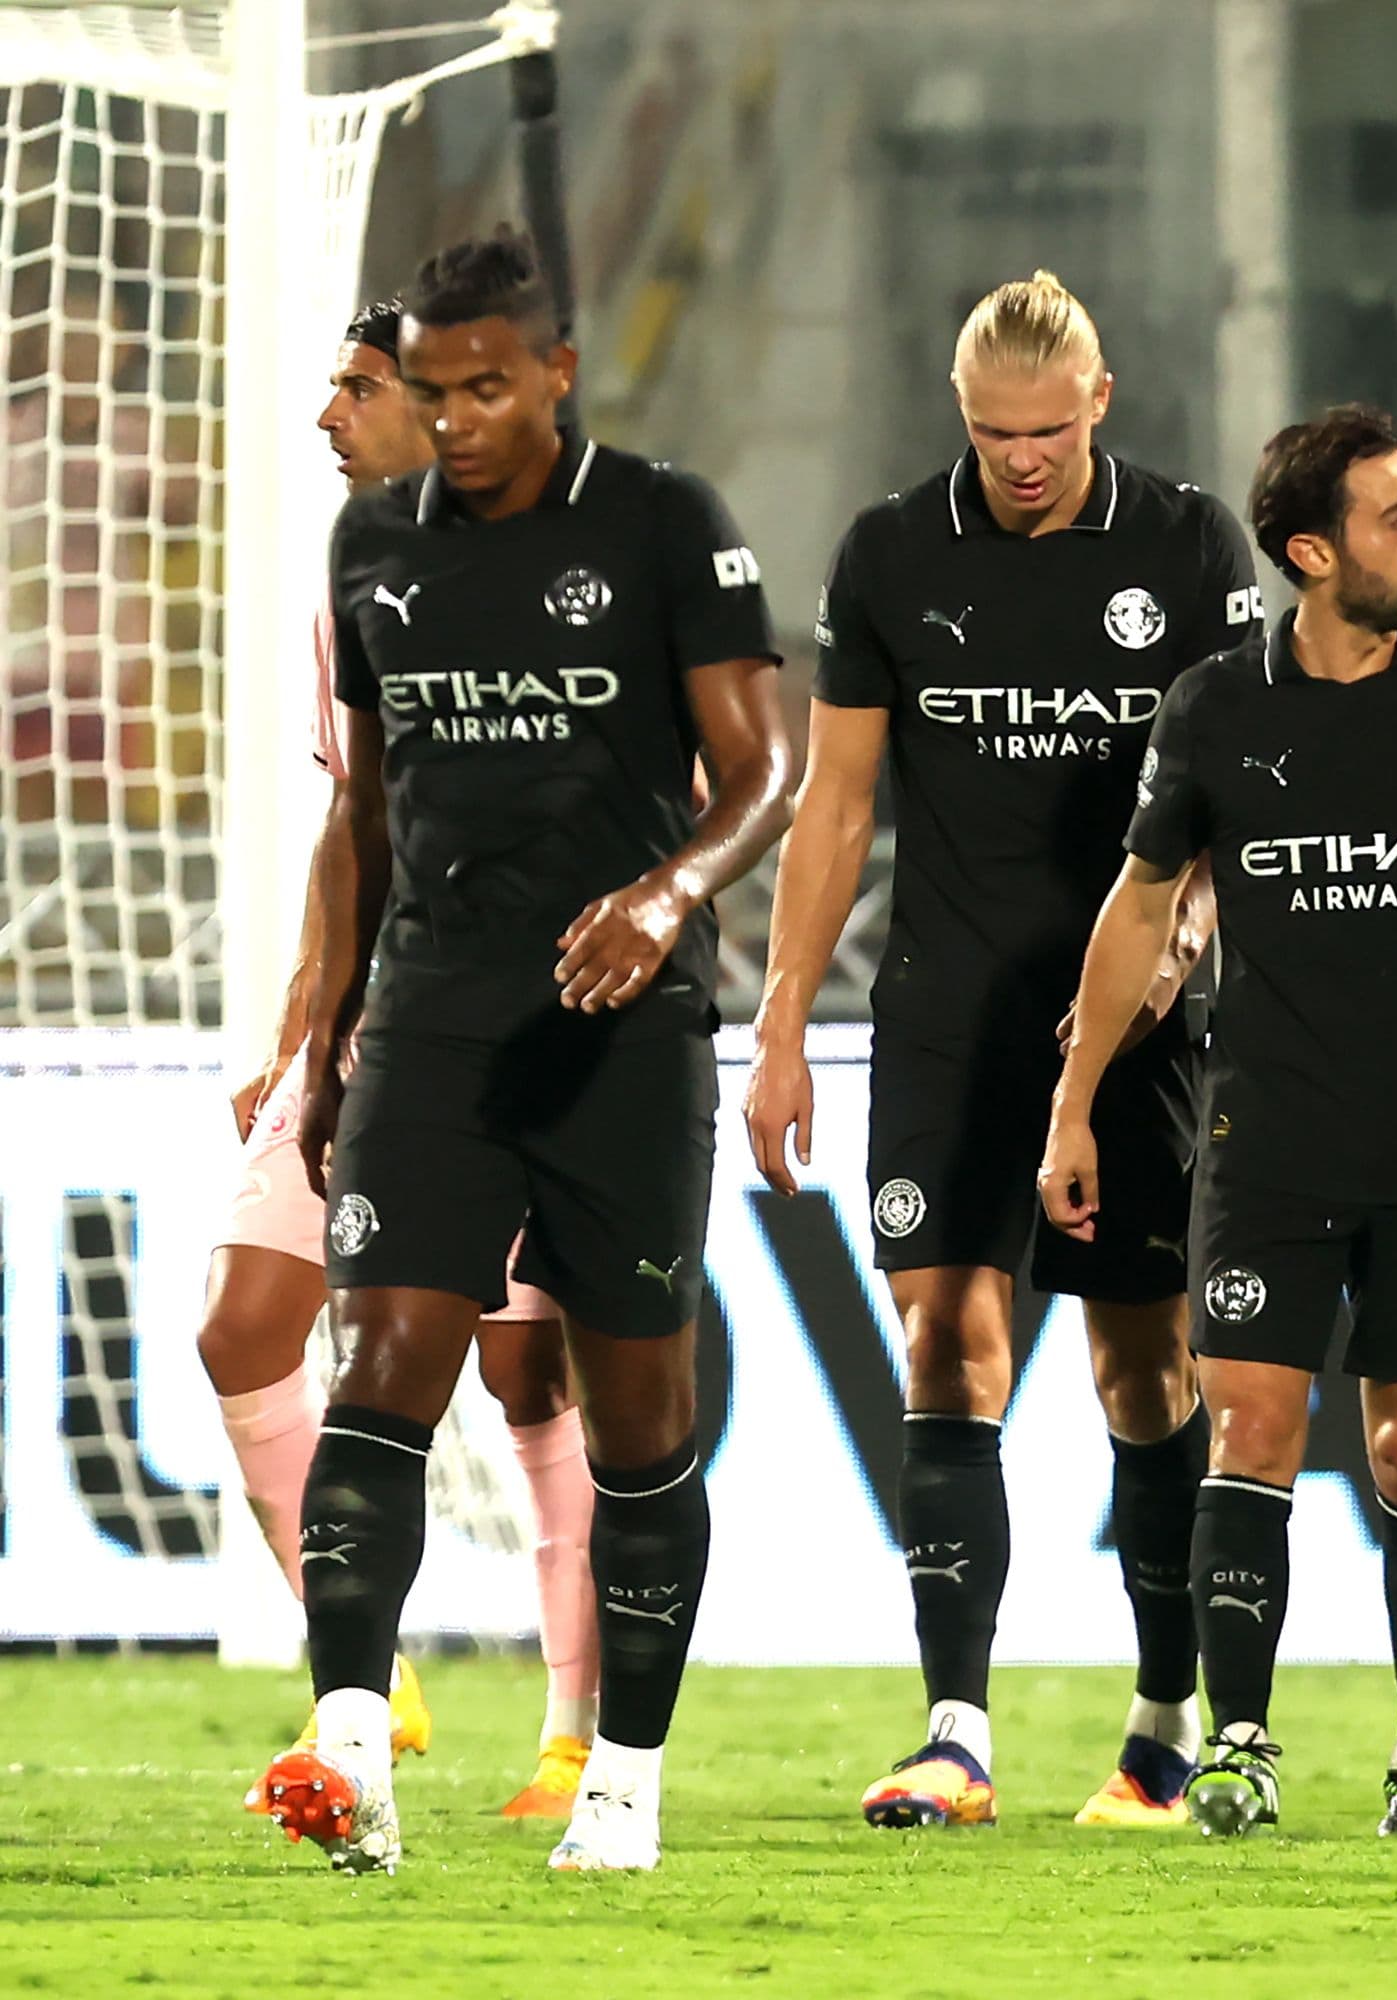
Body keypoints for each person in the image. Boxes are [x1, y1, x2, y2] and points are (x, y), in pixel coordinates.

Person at [252, 227, 794, 1875]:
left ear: (555, 371)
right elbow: (367, 812)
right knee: (384, 1370)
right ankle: (352, 1749)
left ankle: (622, 1780)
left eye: (488, 385)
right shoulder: (371, 548)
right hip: (433, 1022)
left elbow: (761, 772)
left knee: (638, 1415)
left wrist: (667, 890)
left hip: (623, 1032)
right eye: (434, 389)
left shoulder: (664, 521)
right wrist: (332, 1047)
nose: (460, 416)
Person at [1040, 405, 1397, 1837]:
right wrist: (1075, 1108)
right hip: (1267, 1139)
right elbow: (1143, 906)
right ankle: (1240, 1742)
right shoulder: (1215, 710)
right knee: (1250, 1430)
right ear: (1312, 551)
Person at [747, 271, 1260, 1831]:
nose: (1017, 459)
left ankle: (1163, 1725)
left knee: (1138, 1369)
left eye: (1043, 430)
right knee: (948, 1345)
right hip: (947, 1012)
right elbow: (836, 806)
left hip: (1132, 1025)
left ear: (1099, 399)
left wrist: (1188, 930)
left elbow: (1243, 778)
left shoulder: (1185, 548)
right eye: (988, 432)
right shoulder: (894, 552)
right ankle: (954, 1736)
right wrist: (777, 1022)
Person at [209, 297, 599, 1822]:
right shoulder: (353, 580)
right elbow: (350, 822)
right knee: (246, 1322)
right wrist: (305, 1025)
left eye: (354, 388)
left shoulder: (571, 565)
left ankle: (575, 1735)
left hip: (519, 1033)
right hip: (382, 1024)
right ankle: (362, 1674)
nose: (327, 415)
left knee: (524, 1370)